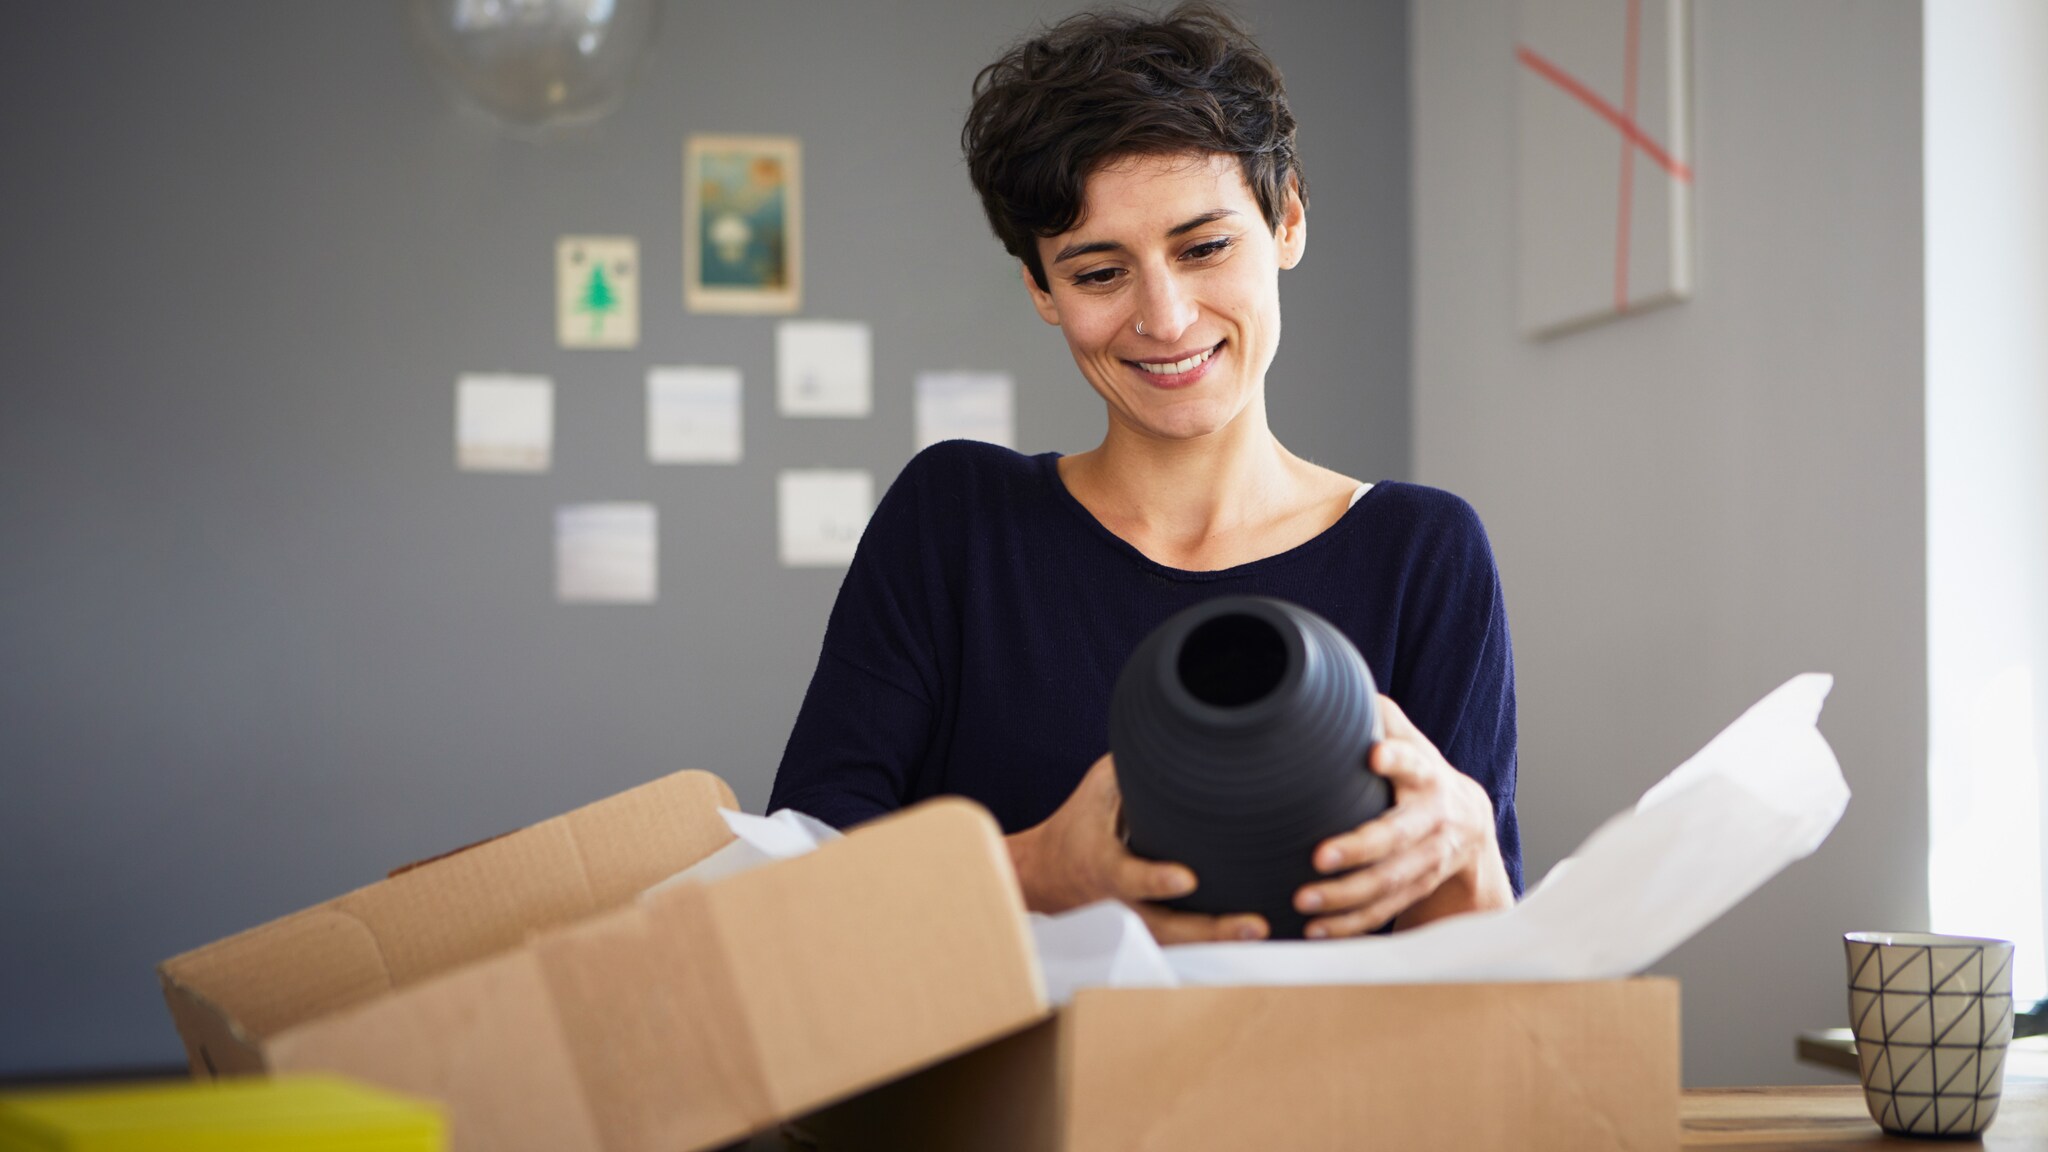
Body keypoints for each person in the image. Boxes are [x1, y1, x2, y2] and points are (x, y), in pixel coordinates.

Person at [769, 3, 1518, 944]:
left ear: (1286, 219)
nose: (1164, 319)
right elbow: (794, 881)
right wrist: (1037, 873)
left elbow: (1488, 971)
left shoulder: (1423, 554)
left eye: (1204, 248)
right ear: (1041, 289)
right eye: (1097, 273)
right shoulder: (956, 522)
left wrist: (1470, 846)